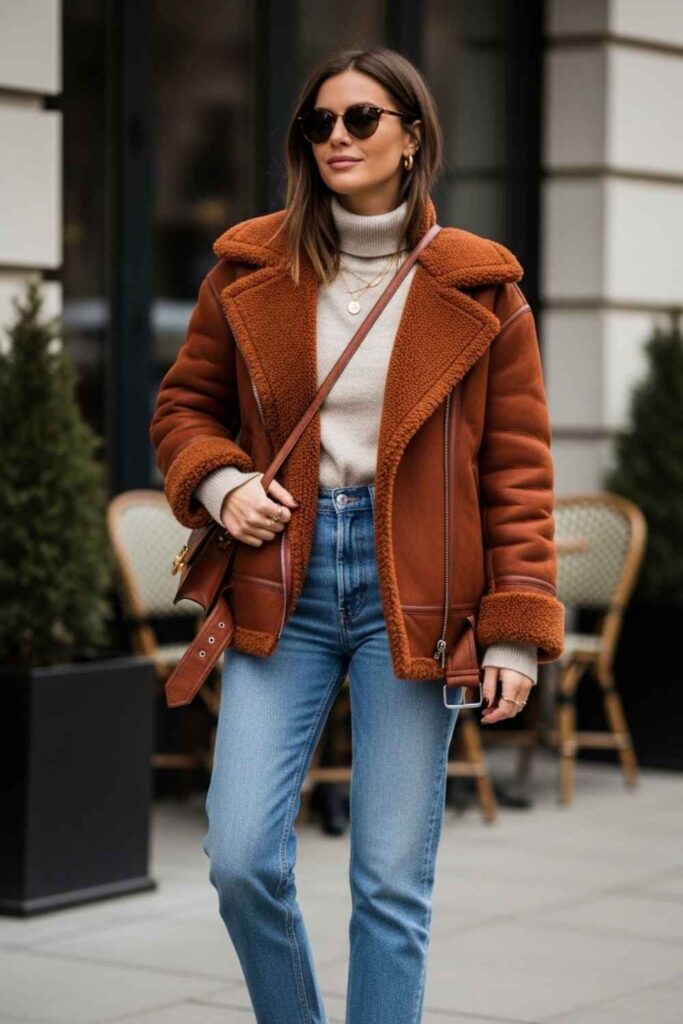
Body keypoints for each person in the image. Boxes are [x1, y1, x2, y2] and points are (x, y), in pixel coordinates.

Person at [149, 45, 564, 1024]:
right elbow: (182, 410)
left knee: (387, 880)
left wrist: (510, 629)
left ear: (410, 135)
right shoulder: (249, 267)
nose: (336, 137)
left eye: (361, 119)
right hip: (279, 578)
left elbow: (516, 471)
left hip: (413, 594)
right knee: (242, 856)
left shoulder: (481, 288)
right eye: (319, 123)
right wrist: (219, 485)